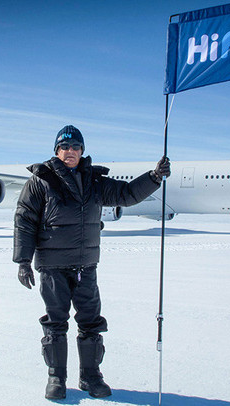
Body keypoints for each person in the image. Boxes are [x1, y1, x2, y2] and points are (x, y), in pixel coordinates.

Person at [13, 125, 171, 400]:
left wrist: (154, 177)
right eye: (65, 147)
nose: (70, 151)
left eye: (75, 147)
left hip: (86, 265)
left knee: (90, 322)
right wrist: (23, 260)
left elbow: (127, 194)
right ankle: (56, 378)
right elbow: (24, 220)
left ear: (82, 151)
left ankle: (91, 377)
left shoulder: (94, 181)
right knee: (56, 322)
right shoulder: (40, 181)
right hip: (53, 266)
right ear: (56, 151)